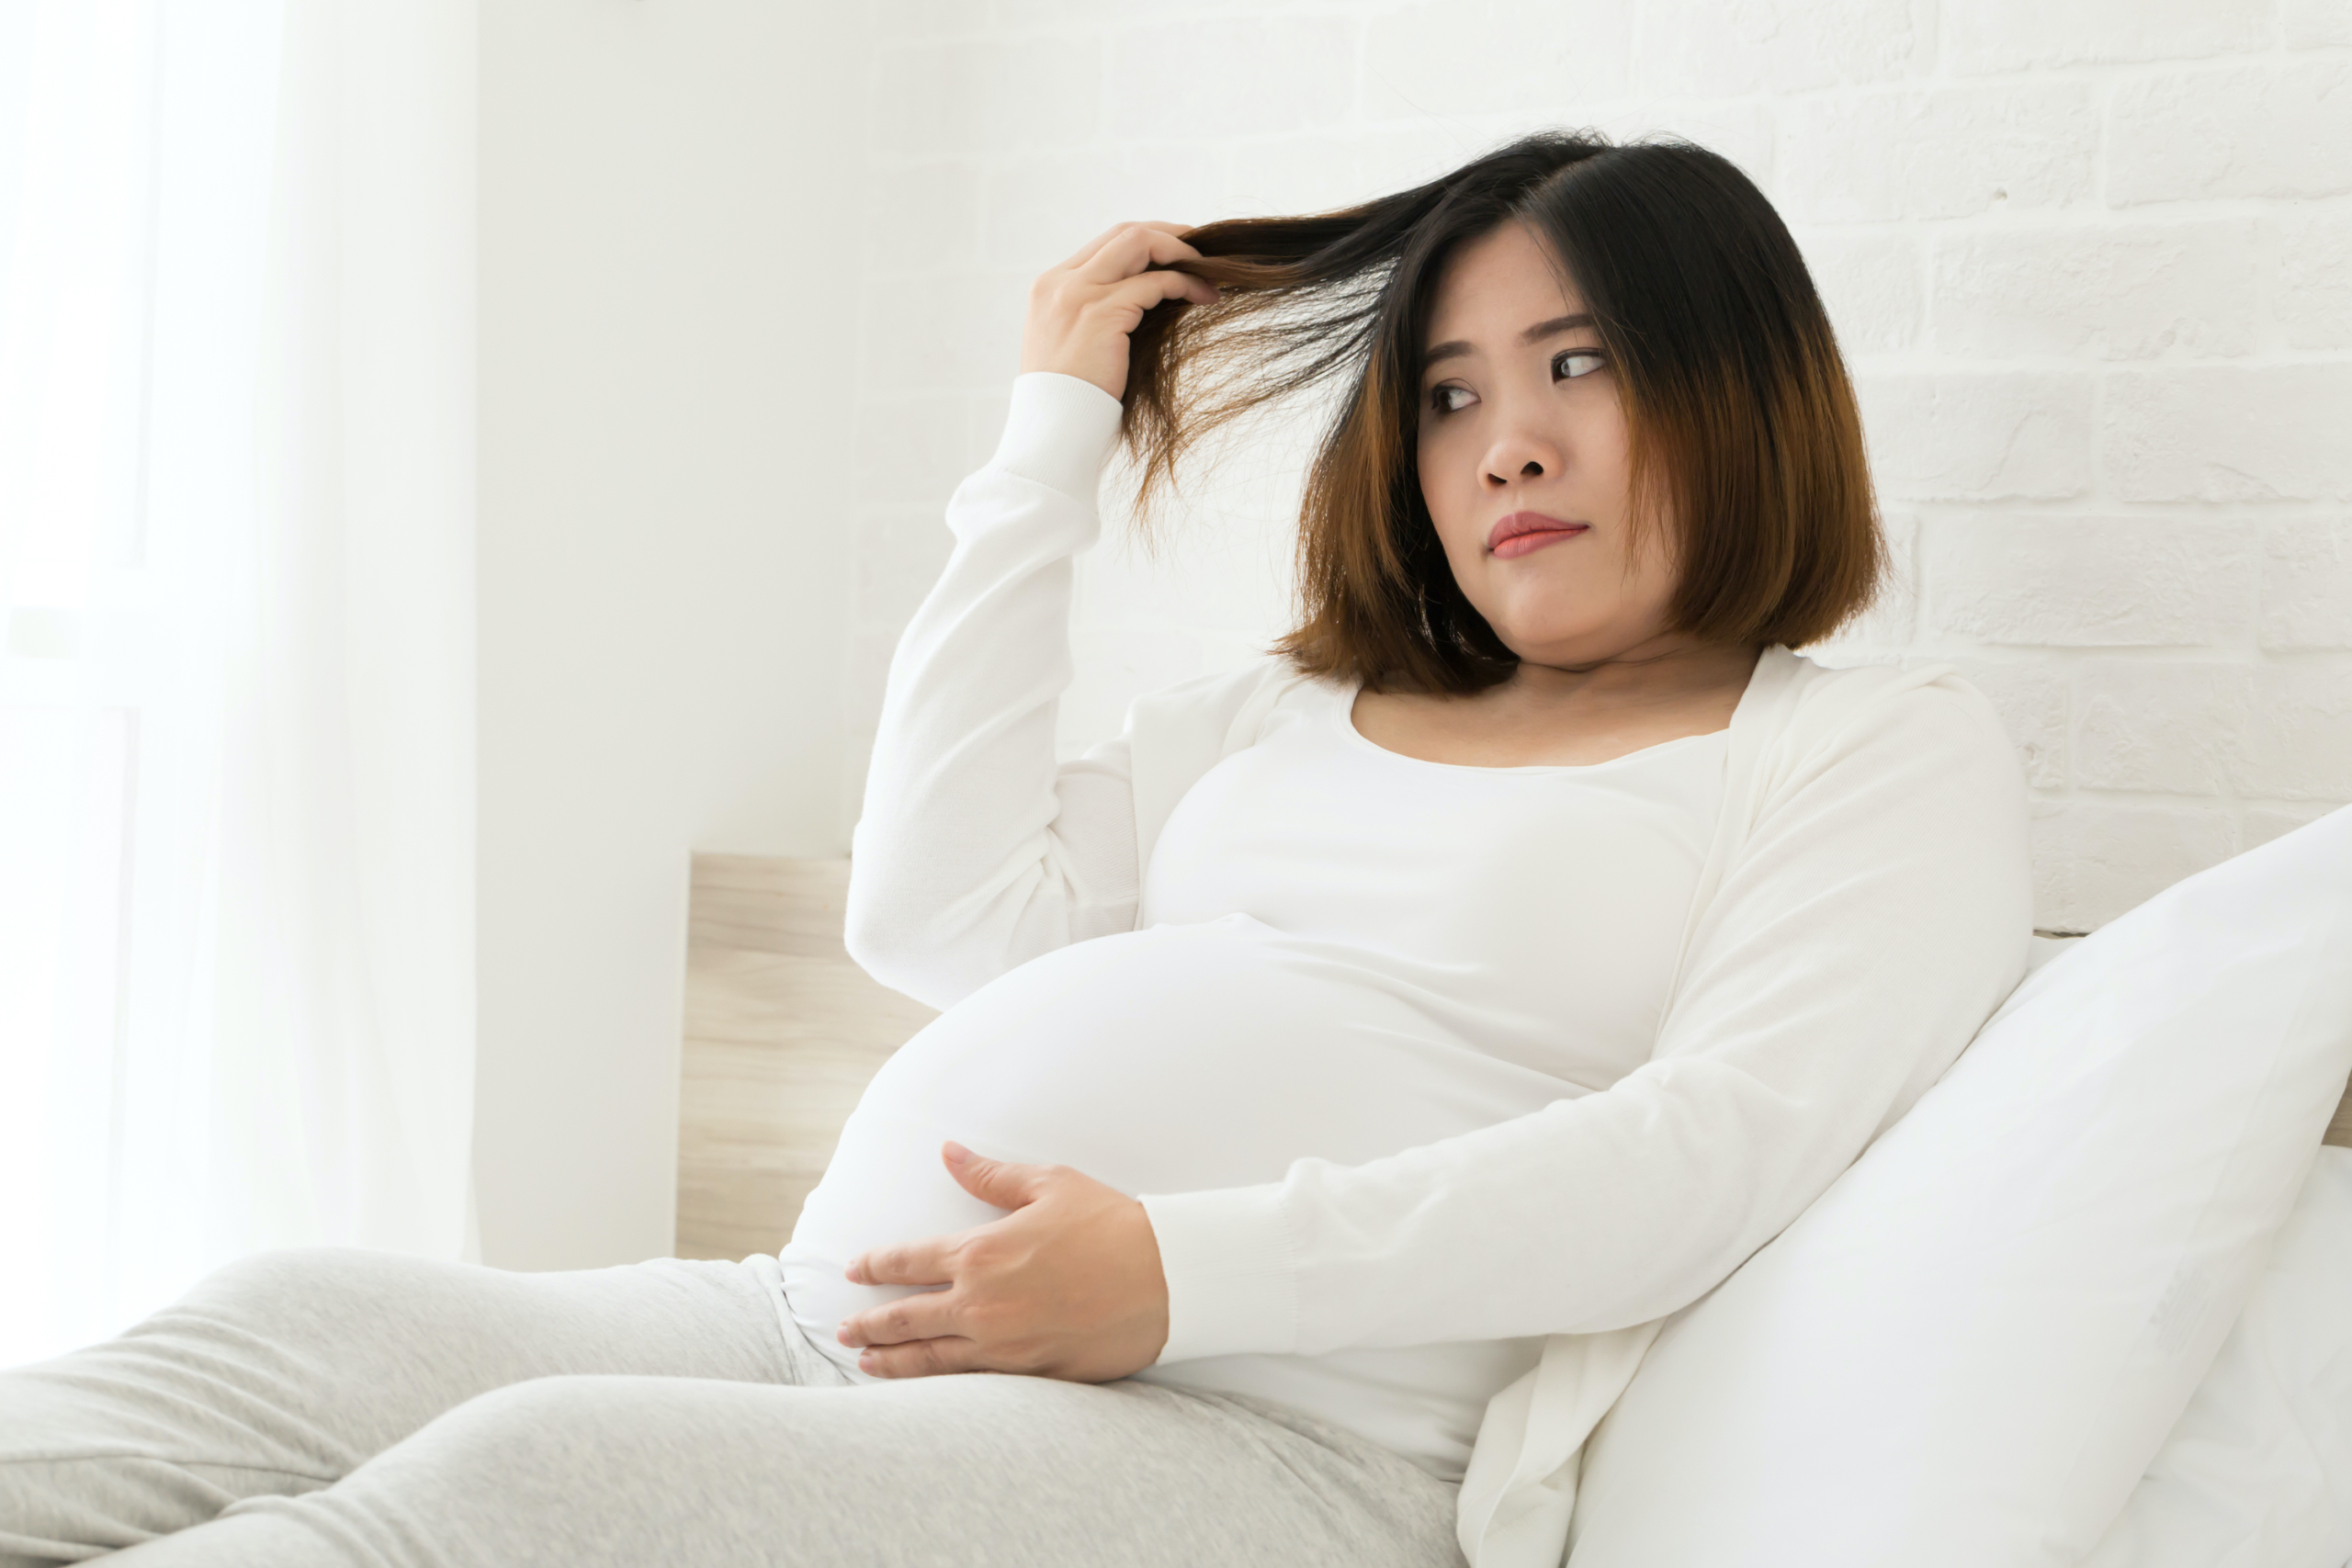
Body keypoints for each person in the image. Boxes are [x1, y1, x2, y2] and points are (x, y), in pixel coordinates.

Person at [0, 130, 2032, 1568]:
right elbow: (932, 905)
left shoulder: (1861, 751)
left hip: (1266, 1439)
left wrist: (1170, 1270)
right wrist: (1049, 429)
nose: (1500, 439)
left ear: (1741, 384)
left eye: (1576, 363)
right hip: (814, 1309)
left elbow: (1700, 1157)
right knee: (280, 1334)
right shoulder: (1285, 708)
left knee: (521, 1490)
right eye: (1443, 391)